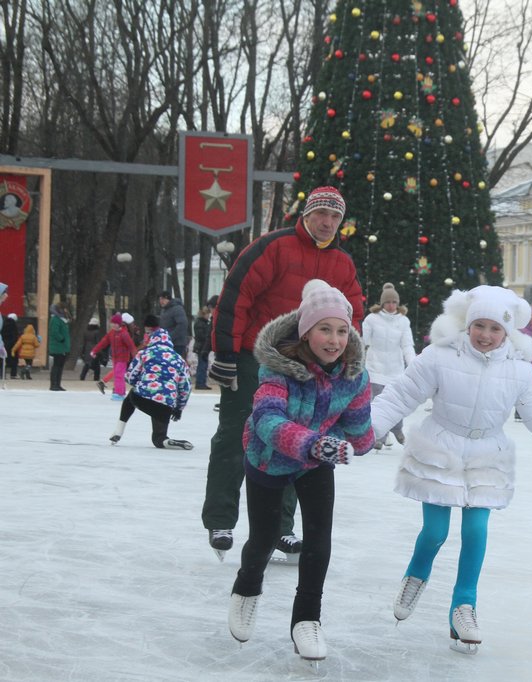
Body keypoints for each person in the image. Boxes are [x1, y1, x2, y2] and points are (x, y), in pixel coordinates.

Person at [371, 285, 532, 652]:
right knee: (435, 532)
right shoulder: (439, 356)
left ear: (508, 333)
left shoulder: (520, 372)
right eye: (480, 325)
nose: (486, 335)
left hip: (486, 456)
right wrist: (368, 429)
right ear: (468, 324)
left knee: (476, 532)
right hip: (441, 447)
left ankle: (464, 605)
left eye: (495, 329)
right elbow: (401, 394)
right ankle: (416, 575)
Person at [203, 185, 364, 560]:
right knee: (234, 435)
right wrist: (226, 352)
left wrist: (346, 360)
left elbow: (351, 315)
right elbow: (236, 296)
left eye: (335, 217)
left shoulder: (342, 264)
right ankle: (220, 517)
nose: (327, 222)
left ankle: (281, 528)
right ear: (306, 215)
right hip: (252, 357)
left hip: (305, 367)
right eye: (321, 214)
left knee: (295, 444)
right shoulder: (274, 247)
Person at [226, 280, 372, 662]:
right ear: (306, 332)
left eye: (342, 330)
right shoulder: (277, 370)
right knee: (265, 536)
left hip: (315, 463)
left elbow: (358, 426)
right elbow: (267, 419)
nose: (334, 339)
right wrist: (314, 444)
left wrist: (364, 437)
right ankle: (247, 587)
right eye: (325, 329)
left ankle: (307, 619)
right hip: (269, 461)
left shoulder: (354, 375)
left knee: (319, 538)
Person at [109, 317, 193, 450]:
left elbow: (130, 376)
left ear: (152, 338)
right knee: (158, 439)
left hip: (142, 398)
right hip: (165, 404)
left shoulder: (145, 353)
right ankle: (167, 441)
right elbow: (186, 387)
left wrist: (141, 383)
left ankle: (118, 431)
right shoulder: (179, 360)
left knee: (131, 397)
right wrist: (178, 409)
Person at [362, 283, 415, 449]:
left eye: (394, 302)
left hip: (395, 369)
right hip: (375, 368)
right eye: (388, 302)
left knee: (395, 402)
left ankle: (398, 429)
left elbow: (407, 345)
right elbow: (363, 341)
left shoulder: (403, 321)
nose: (391, 305)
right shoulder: (371, 319)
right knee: (378, 402)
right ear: (382, 303)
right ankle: (379, 436)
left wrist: (413, 364)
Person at [91, 313, 136, 400]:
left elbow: (131, 346)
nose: (114, 325)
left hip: (122, 358)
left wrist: (135, 357)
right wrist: (95, 350)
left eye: (116, 324)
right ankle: (120, 392)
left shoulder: (124, 334)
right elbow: (103, 342)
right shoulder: (112, 333)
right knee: (118, 375)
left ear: (120, 324)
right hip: (115, 358)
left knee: (119, 375)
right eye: (112, 323)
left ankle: (119, 393)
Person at [158, 290, 190, 359]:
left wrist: (170, 337)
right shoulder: (164, 310)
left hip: (177, 344)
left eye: (163, 299)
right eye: (160, 299)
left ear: (168, 299)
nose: (161, 301)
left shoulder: (177, 308)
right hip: (167, 342)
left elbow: (182, 324)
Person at [48, 303, 71, 391]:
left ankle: (57, 384)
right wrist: (61, 339)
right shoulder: (55, 319)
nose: (66, 310)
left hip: (62, 347)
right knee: (57, 365)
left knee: (60, 366)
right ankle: (53, 384)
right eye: (64, 309)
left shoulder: (62, 319)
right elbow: (54, 332)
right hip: (58, 346)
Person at [192, 304, 213, 390]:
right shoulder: (201, 323)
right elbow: (201, 336)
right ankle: (200, 383)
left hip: (201, 346)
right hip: (201, 347)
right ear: (203, 314)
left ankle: (201, 382)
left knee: (203, 365)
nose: (208, 316)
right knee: (202, 365)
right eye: (207, 314)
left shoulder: (201, 322)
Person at [79, 316, 105, 381]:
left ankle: (82, 376)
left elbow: (83, 342)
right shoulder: (97, 332)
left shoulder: (86, 332)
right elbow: (98, 342)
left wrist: (82, 351)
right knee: (97, 366)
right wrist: (100, 351)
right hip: (94, 350)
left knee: (87, 364)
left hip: (87, 350)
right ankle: (96, 378)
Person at [2, 312, 18, 379]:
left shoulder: (3, 323)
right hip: (12, 345)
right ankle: (13, 375)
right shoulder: (14, 325)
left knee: (3, 360)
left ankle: (2, 375)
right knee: (14, 360)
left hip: (3, 344)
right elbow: (15, 336)